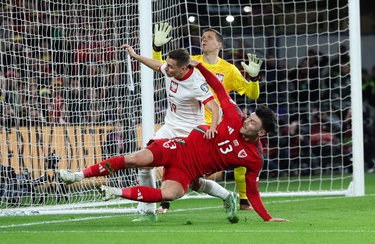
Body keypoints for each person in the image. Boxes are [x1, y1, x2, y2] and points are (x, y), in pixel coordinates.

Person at [59, 60, 287, 223]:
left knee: (170, 194)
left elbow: (254, 191)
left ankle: (114, 192)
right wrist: (202, 68)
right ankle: (78, 175)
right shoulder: (234, 117)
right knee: (136, 159)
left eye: (252, 124)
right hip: (179, 147)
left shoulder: (254, 159)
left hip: (188, 171)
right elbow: (218, 89)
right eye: (249, 118)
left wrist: (267, 218)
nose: (247, 122)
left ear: (261, 134)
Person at [153, 22, 262, 212]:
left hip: (217, 125)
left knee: (240, 154)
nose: (204, 39)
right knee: (175, 161)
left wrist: (254, 79)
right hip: (190, 123)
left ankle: (243, 199)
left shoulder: (229, 70)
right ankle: (165, 201)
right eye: (203, 37)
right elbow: (164, 68)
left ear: (219, 45)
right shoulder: (191, 61)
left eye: (209, 37)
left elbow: (252, 95)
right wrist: (156, 49)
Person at [119, 45, 222, 221]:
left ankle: (227, 196)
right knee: (145, 164)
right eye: (167, 64)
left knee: (195, 182)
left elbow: (215, 107)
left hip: (190, 134)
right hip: (169, 127)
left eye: (170, 66)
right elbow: (155, 65)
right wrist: (135, 56)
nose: (166, 68)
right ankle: (149, 210)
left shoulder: (196, 82)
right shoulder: (170, 70)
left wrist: (212, 129)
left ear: (183, 68)